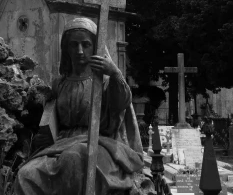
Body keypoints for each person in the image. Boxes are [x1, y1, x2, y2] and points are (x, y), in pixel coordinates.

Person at [13, 17, 143, 195]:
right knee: (26, 174)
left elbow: (122, 103)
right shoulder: (60, 83)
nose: (80, 50)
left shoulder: (103, 83)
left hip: (99, 144)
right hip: (61, 144)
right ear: (66, 48)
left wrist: (114, 73)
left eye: (86, 44)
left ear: (95, 47)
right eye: (73, 45)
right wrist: (44, 135)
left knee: (72, 158)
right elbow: (52, 119)